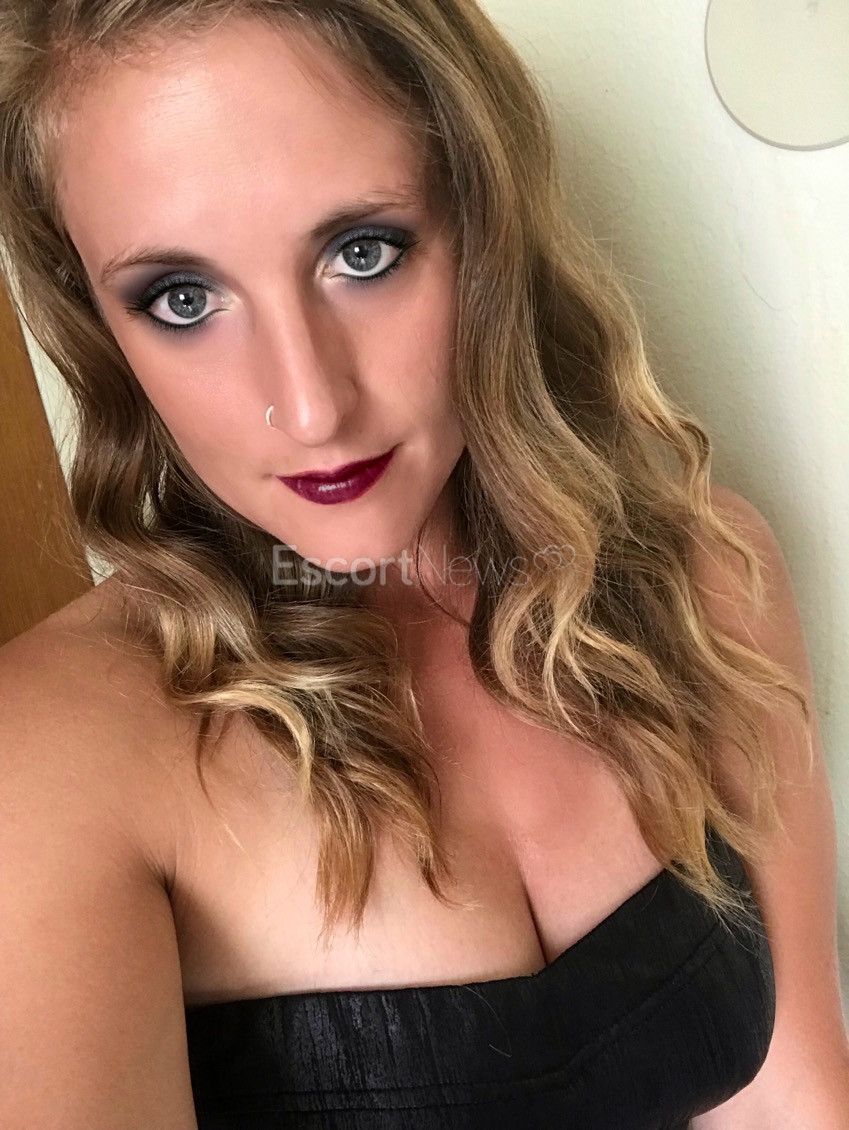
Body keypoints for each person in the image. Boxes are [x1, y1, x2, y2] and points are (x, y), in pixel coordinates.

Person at [0, 2, 846, 1127]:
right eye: (183, 299)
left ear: (484, 226)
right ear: (98, 324)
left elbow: (795, 1102)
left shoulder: (707, 582)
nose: (309, 406)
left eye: (363, 251)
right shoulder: (51, 764)